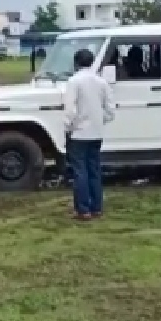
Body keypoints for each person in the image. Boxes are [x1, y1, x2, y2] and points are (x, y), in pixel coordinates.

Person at [63, 48, 115, 220]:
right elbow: (110, 111)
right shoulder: (101, 82)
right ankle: (97, 207)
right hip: (96, 132)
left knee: (80, 172)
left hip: (79, 133)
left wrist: (68, 128)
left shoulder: (73, 81)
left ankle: (83, 209)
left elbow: (70, 110)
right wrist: (99, 121)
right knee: (94, 170)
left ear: (76, 63)